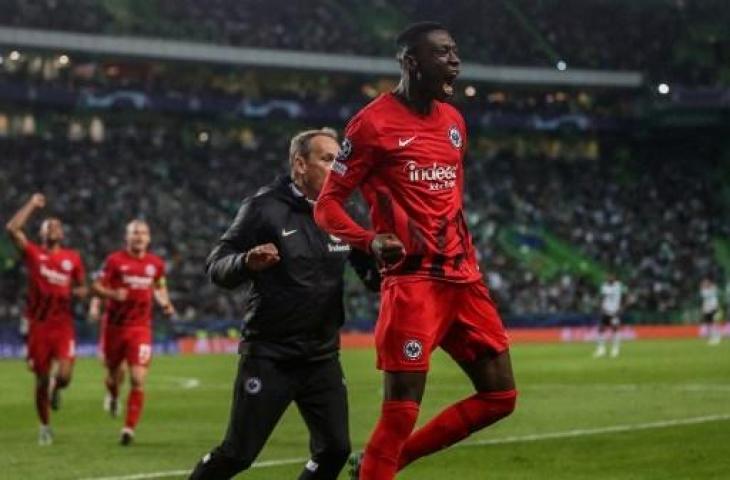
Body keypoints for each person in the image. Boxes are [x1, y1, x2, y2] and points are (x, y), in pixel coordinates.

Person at [314, 22, 517, 480]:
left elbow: (452, 196)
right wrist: (369, 240)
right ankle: (380, 466)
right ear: (410, 62)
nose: (455, 61)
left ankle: (388, 462)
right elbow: (326, 205)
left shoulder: (454, 122)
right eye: (443, 53)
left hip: (464, 279)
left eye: (455, 52)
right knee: (400, 413)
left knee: (500, 397)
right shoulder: (371, 124)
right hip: (414, 283)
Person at [189, 128, 380, 480]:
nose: (338, 168)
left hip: (321, 356)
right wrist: (246, 260)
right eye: (327, 159)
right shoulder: (263, 208)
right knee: (238, 454)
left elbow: (371, 277)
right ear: (299, 164)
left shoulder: (343, 212)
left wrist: (389, 261)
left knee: (335, 450)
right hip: (270, 356)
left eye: (340, 160)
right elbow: (217, 267)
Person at [5, 193, 87, 445]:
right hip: (38, 326)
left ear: (62, 234)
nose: (53, 228)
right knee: (40, 379)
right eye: (48, 226)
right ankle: (44, 425)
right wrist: (32, 204)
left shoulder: (73, 258)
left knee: (63, 376)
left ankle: (56, 388)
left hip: (63, 325)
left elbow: (82, 287)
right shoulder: (33, 253)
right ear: (41, 234)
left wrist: (81, 293)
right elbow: (12, 228)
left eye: (57, 226)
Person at [91, 219, 175, 445]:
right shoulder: (114, 261)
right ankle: (114, 395)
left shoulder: (155, 264)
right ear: (126, 237)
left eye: (143, 233)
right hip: (114, 328)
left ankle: (128, 429)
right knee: (114, 374)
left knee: (137, 378)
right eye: (134, 233)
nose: (139, 236)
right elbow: (96, 286)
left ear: (149, 238)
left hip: (140, 328)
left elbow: (159, 287)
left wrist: (166, 303)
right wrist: (110, 295)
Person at [593, 274, 625, 358]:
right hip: (605, 311)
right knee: (601, 329)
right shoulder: (604, 286)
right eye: (608, 276)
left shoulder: (618, 286)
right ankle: (601, 349)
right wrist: (601, 307)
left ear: (615, 277)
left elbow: (623, 297)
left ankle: (615, 349)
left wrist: (621, 308)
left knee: (615, 329)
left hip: (615, 312)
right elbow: (603, 297)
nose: (609, 278)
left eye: (611, 276)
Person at [699, 277, 722, 345]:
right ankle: (711, 337)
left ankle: (717, 337)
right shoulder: (703, 291)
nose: (705, 284)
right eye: (704, 283)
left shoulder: (713, 289)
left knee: (715, 322)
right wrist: (703, 308)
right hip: (707, 309)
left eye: (706, 283)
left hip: (714, 308)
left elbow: (715, 293)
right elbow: (704, 301)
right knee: (708, 324)